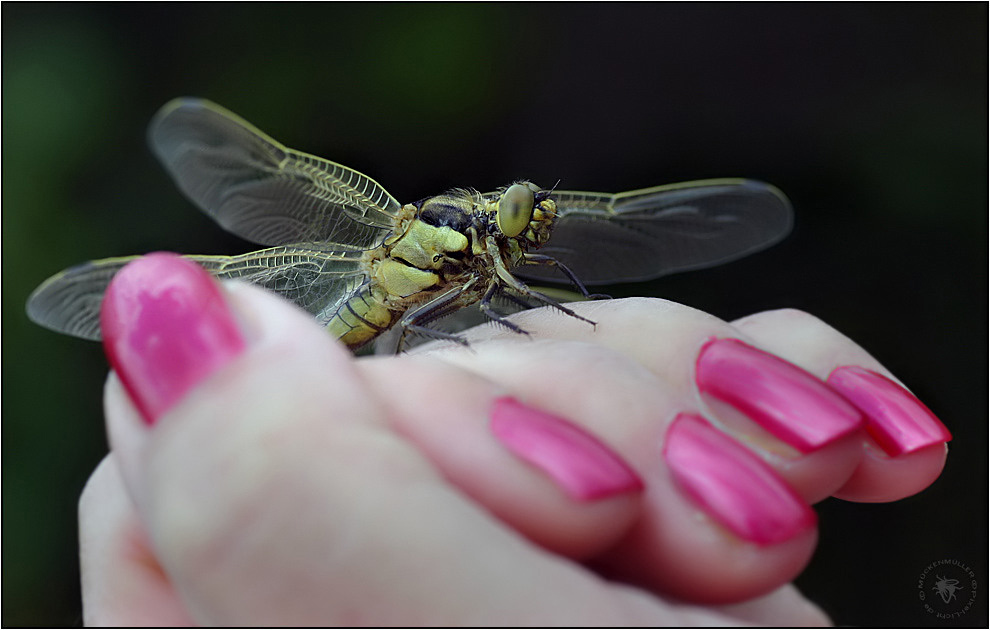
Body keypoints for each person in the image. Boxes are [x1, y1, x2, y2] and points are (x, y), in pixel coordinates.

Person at [80, 253, 951, 625]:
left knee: (539, 362)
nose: (525, 225)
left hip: (411, 347)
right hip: (374, 325)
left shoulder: (481, 260)